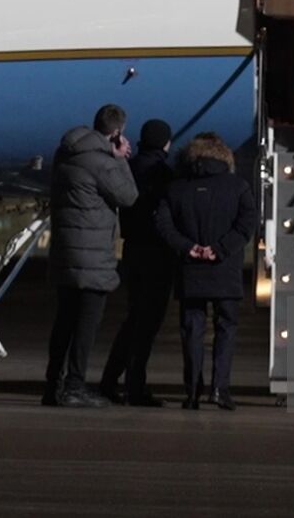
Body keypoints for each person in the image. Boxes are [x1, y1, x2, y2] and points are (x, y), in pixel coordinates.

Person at [154, 132, 258, 410]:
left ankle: (192, 392)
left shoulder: (176, 188)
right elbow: (248, 222)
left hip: (190, 271)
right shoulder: (237, 187)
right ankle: (219, 389)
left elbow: (164, 226)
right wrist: (220, 249)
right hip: (225, 270)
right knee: (226, 329)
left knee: (192, 331)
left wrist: (189, 247)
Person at [43, 104, 138, 407]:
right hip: (93, 258)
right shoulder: (102, 163)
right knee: (86, 327)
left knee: (64, 321)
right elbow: (129, 196)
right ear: (117, 132)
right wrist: (121, 160)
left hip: (65, 253)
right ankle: (74, 386)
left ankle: (52, 386)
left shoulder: (66, 154)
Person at [98, 118, 176, 406]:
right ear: (166, 142)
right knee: (147, 324)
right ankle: (134, 386)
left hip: (132, 250)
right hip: (157, 253)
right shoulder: (164, 173)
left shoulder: (128, 167)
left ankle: (110, 379)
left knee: (133, 319)